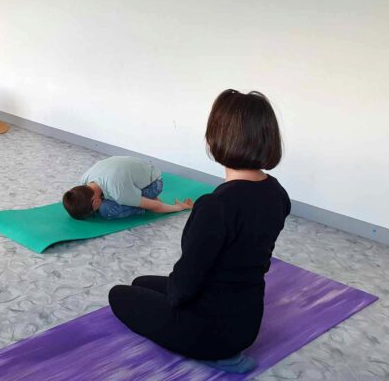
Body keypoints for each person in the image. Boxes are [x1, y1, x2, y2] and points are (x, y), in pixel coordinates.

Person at [108, 90, 290, 374]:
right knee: (141, 281)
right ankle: (218, 345)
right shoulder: (278, 194)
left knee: (118, 295)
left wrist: (171, 305)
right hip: (247, 321)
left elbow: (185, 283)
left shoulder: (215, 206)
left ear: (217, 139)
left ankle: (220, 357)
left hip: (210, 333)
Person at [63, 156, 193, 220]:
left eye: (92, 212)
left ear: (96, 201)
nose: (94, 213)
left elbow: (156, 207)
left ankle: (144, 199)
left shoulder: (118, 191)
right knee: (111, 201)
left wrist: (180, 207)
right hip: (133, 174)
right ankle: (136, 196)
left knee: (106, 210)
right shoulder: (84, 180)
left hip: (154, 184)